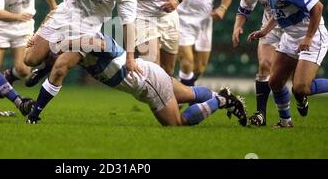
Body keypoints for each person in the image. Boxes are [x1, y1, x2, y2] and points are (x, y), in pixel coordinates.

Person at [23, 0, 141, 124]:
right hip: (63, 15)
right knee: (29, 60)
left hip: (87, 29)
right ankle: (46, 64)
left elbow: (128, 23)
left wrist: (131, 58)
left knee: (61, 67)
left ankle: (35, 114)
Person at [24, 35, 247, 126]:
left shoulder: (92, 38)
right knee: (189, 94)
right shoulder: (76, 48)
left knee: (177, 123)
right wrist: (43, 68)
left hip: (147, 83)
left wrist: (65, 43)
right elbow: (59, 61)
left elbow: (99, 46)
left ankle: (221, 101)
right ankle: (223, 96)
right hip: (149, 73)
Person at [247, 0, 328, 128]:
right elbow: (280, 11)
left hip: (312, 37)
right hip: (290, 36)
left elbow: (318, 8)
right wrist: (265, 31)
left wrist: (307, 37)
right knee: (274, 81)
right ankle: (285, 122)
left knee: (300, 88)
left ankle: (301, 96)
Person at [232, 0, 306, 127]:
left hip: (293, 27)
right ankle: (262, 115)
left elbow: (307, 6)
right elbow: (244, 7)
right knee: (265, 65)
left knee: (297, 80)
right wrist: (237, 27)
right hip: (270, 27)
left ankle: (300, 96)